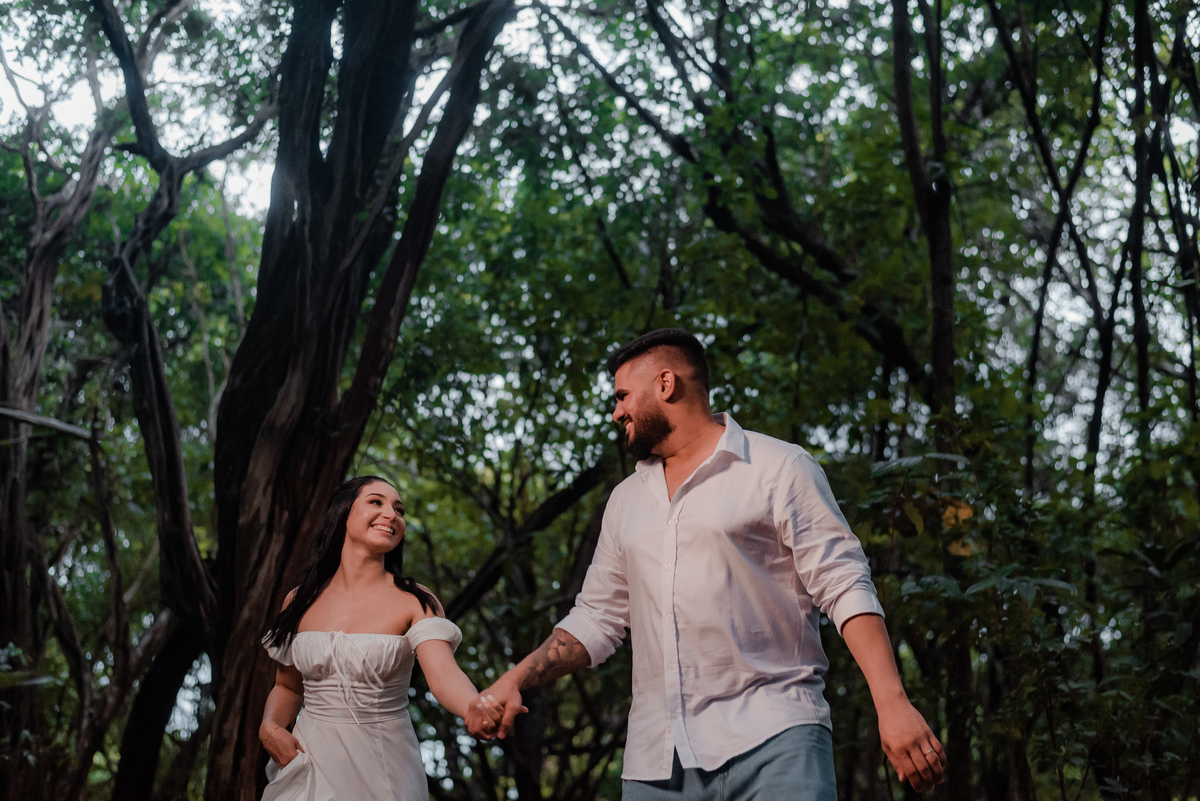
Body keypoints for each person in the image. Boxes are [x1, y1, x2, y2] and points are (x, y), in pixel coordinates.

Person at [466, 329, 946, 799]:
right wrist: (514, 679)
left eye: (622, 396)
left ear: (666, 384)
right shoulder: (626, 501)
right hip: (656, 767)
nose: (616, 413)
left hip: (777, 741)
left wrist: (892, 703)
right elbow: (597, 618)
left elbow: (843, 584)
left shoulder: (779, 467)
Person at [259, 475, 502, 801]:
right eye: (376, 502)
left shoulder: (414, 600)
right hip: (308, 762)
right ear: (343, 513)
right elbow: (288, 686)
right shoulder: (299, 600)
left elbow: (444, 674)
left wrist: (474, 705)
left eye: (399, 510)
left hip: (384, 768)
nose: (392, 514)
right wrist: (270, 727)